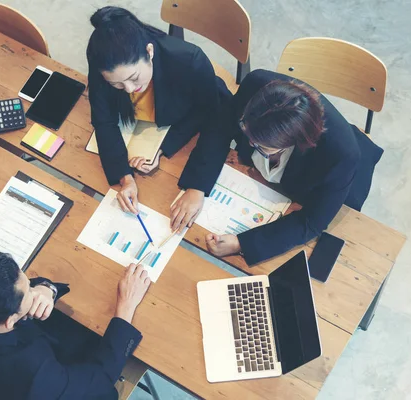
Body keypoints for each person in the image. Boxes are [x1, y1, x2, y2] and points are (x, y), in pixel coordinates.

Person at [206, 69, 384, 265]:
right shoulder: (256, 85)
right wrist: (198, 186)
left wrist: (242, 243)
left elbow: (311, 221)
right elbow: (220, 126)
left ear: (293, 142)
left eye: (261, 146)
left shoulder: (341, 156)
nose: (249, 145)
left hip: (323, 182)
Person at [86, 6, 233, 232]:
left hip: (186, 117)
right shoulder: (103, 65)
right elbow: (103, 121)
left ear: (150, 52)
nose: (128, 90)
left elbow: (214, 115)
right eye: (116, 84)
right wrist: (125, 178)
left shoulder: (189, 59)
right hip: (149, 124)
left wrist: (193, 183)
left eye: (133, 78)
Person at [0, 252, 151, 400]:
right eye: (29, 293)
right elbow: (100, 378)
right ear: (10, 320)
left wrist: (46, 289)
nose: (32, 290)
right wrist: (126, 305)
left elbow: (9, 290)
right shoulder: (34, 372)